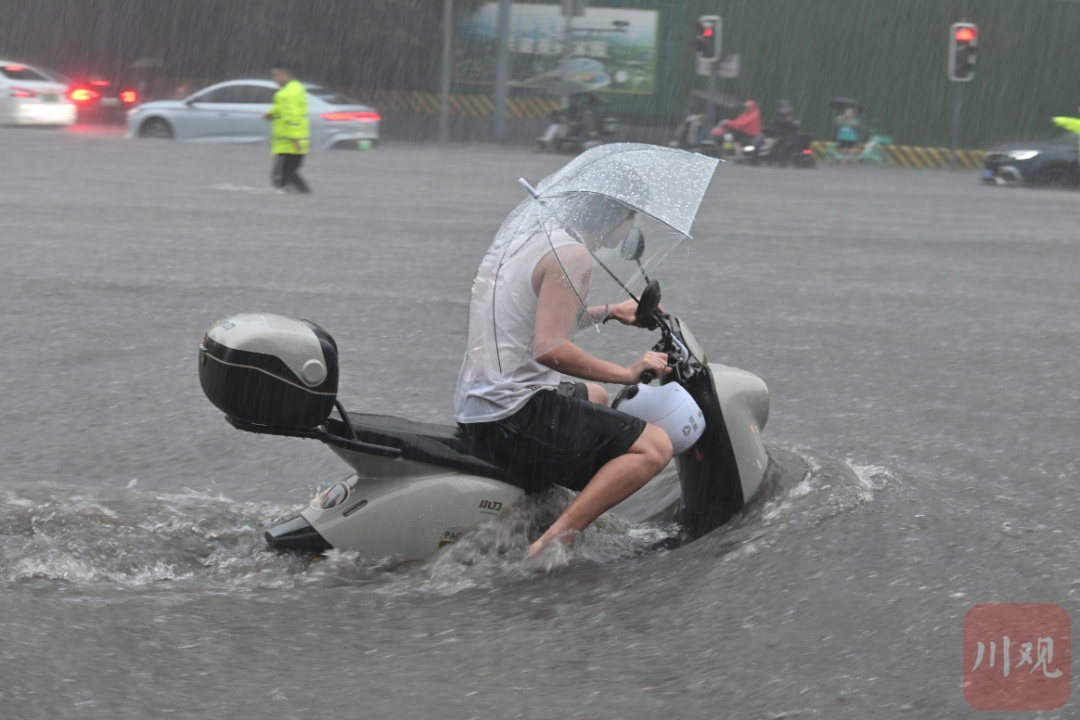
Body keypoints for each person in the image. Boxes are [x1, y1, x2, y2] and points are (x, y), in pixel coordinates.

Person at [455, 194, 674, 557]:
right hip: (513, 412)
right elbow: (550, 348)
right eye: (633, 217)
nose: (632, 227)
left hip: (481, 405)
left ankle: (542, 509)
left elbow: (541, 320)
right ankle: (556, 540)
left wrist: (610, 312)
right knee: (655, 447)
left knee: (595, 396)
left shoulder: (536, 239)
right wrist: (627, 373)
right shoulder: (572, 256)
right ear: (620, 214)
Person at [262, 63, 310, 193]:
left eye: (275, 75)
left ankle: (305, 195)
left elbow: (292, 115)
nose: (274, 79)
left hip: (290, 142)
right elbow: (284, 110)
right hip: (289, 142)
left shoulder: (288, 93)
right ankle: (304, 195)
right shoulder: (293, 89)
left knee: (282, 177)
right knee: (287, 175)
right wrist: (271, 113)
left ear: (283, 74)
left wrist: (295, 138)